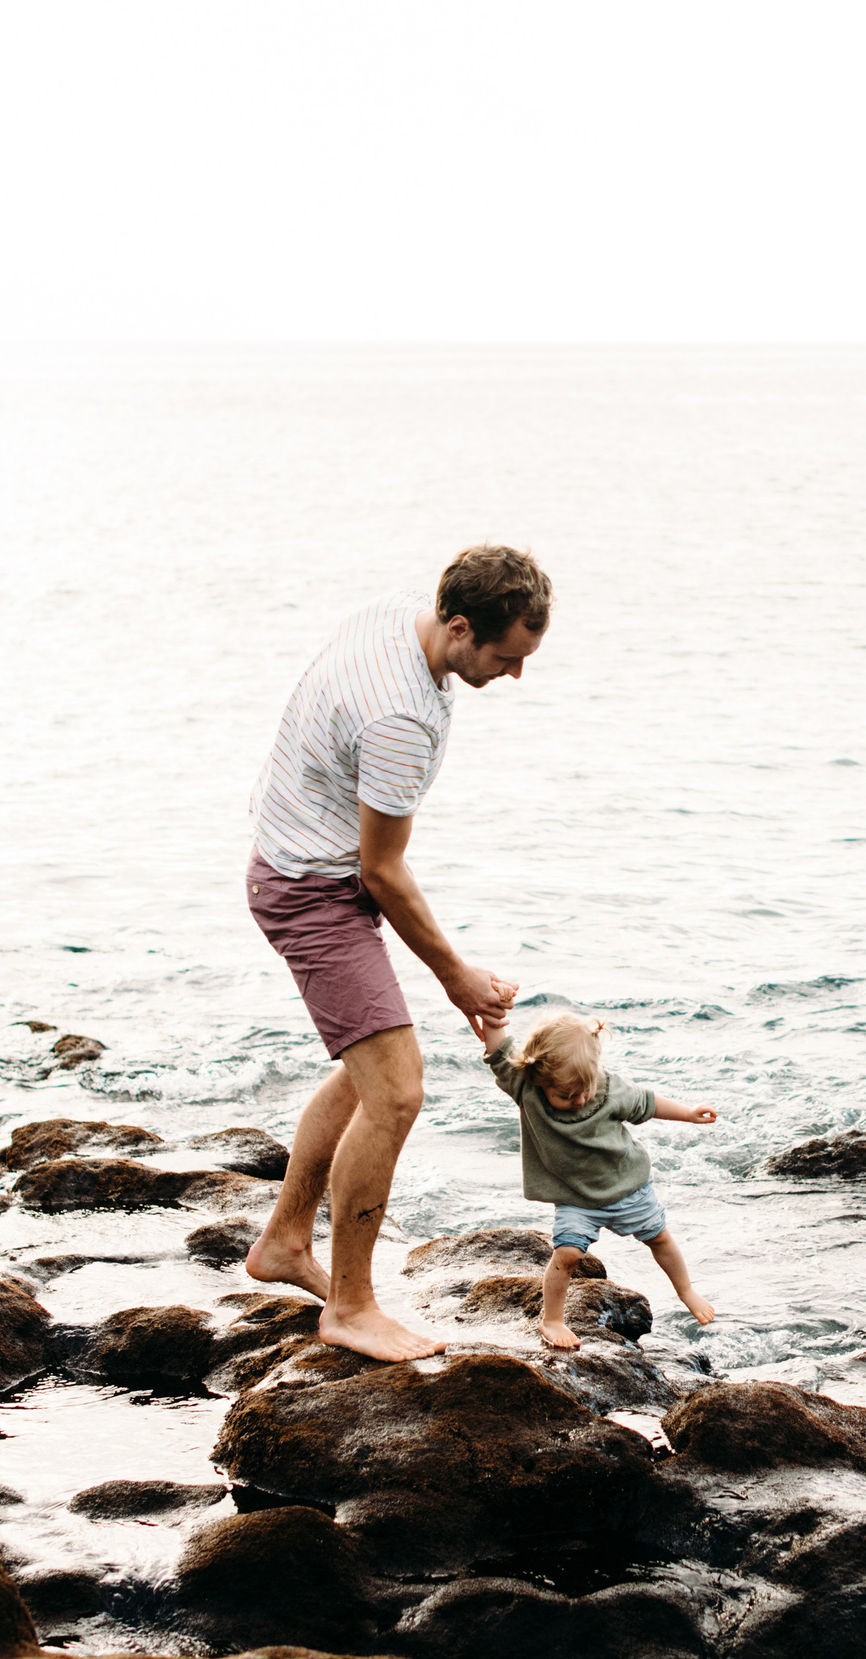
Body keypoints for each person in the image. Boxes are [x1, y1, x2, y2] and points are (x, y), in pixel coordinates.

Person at [241, 546, 549, 1362]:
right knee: (399, 1094)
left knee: (369, 1070)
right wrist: (459, 977)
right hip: (315, 888)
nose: (514, 675)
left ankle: (283, 1244)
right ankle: (349, 1305)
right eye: (505, 656)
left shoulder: (392, 613)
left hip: (300, 858)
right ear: (458, 625)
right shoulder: (401, 719)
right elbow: (382, 870)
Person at [471, 1008, 718, 1349]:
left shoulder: (608, 1088)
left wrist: (688, 1114)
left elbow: (647, 1103)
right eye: (567, 1095)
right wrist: (494, 1022)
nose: (580, 1099)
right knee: (567, 1254)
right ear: (539, 1078)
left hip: (628, 1186)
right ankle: (553, 1320)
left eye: (585, 1089)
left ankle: (686, 1290)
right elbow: (500, 1056)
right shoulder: (527, 1088)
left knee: (659, 1238)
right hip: (577, 1199)